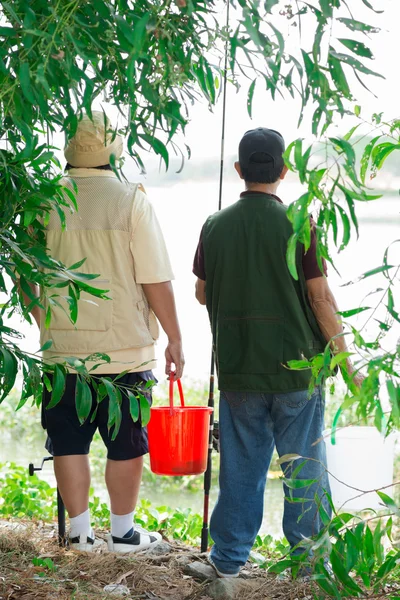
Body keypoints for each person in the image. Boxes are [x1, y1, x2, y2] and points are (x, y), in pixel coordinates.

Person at [193, 127, 362, 578]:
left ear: (238, 171)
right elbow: (320, 299)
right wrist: (345, 363)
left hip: (239, 370)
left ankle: (227, 562)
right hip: (296, 371)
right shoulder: (300, 222)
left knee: (240, 470)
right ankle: (309, 569)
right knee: (304, 470)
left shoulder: (214, 225)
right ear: (284, 171)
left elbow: (201, 293)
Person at [38, 111, 184, 553]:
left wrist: (45, 319)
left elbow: (26, 273)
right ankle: (123, 535)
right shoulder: (129, 200)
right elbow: (154, 278)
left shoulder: (44, 200)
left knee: (68, 441)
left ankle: (80, 537)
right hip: (125, 351)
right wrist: (176, 337)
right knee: (125, 445)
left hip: (63, 349)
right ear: (113, 150)